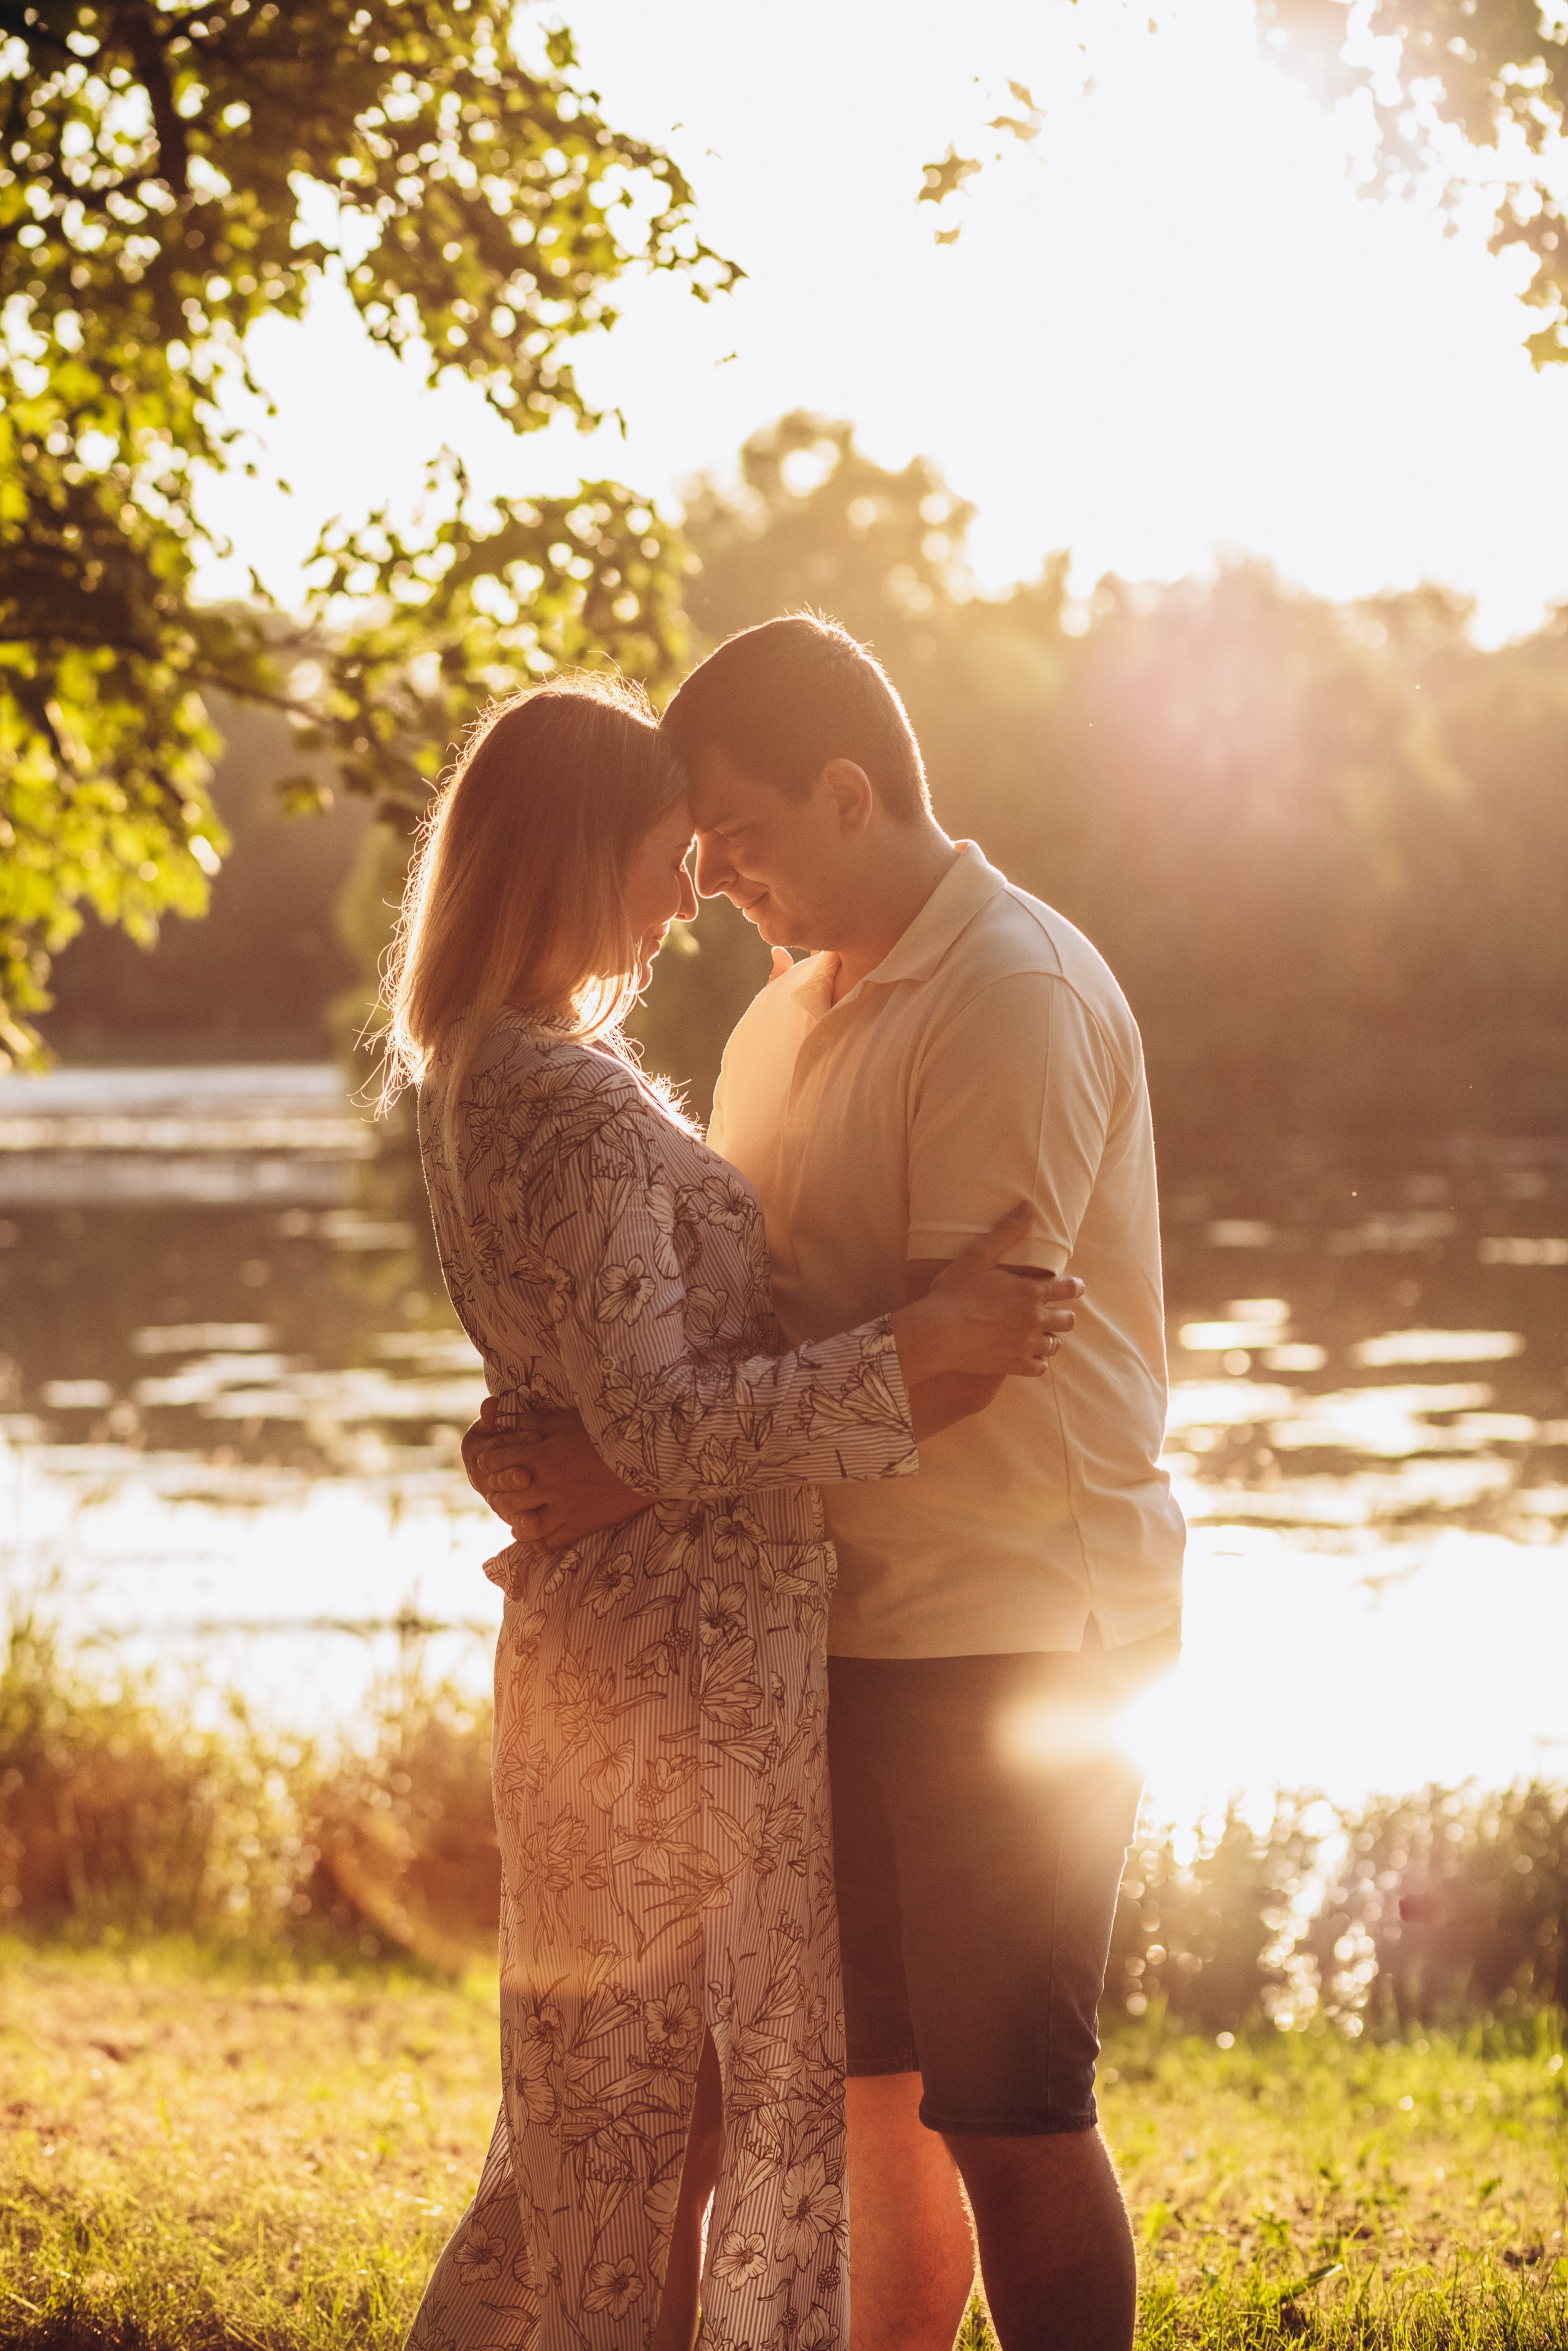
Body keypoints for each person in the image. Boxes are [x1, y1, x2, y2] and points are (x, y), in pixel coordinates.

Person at [467, 618, 1186, 2351]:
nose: (712, 884)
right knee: (869, 2088)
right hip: (830, 1619)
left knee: (1011, 2107)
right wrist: (566, 1421)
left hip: (1014, 1620)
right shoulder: (790, 1017)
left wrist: (617, 1477)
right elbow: (753, 1330)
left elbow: (950, 1358)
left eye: (739, 836)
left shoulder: (1011, 992)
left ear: (848, 792)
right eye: (693, 851)